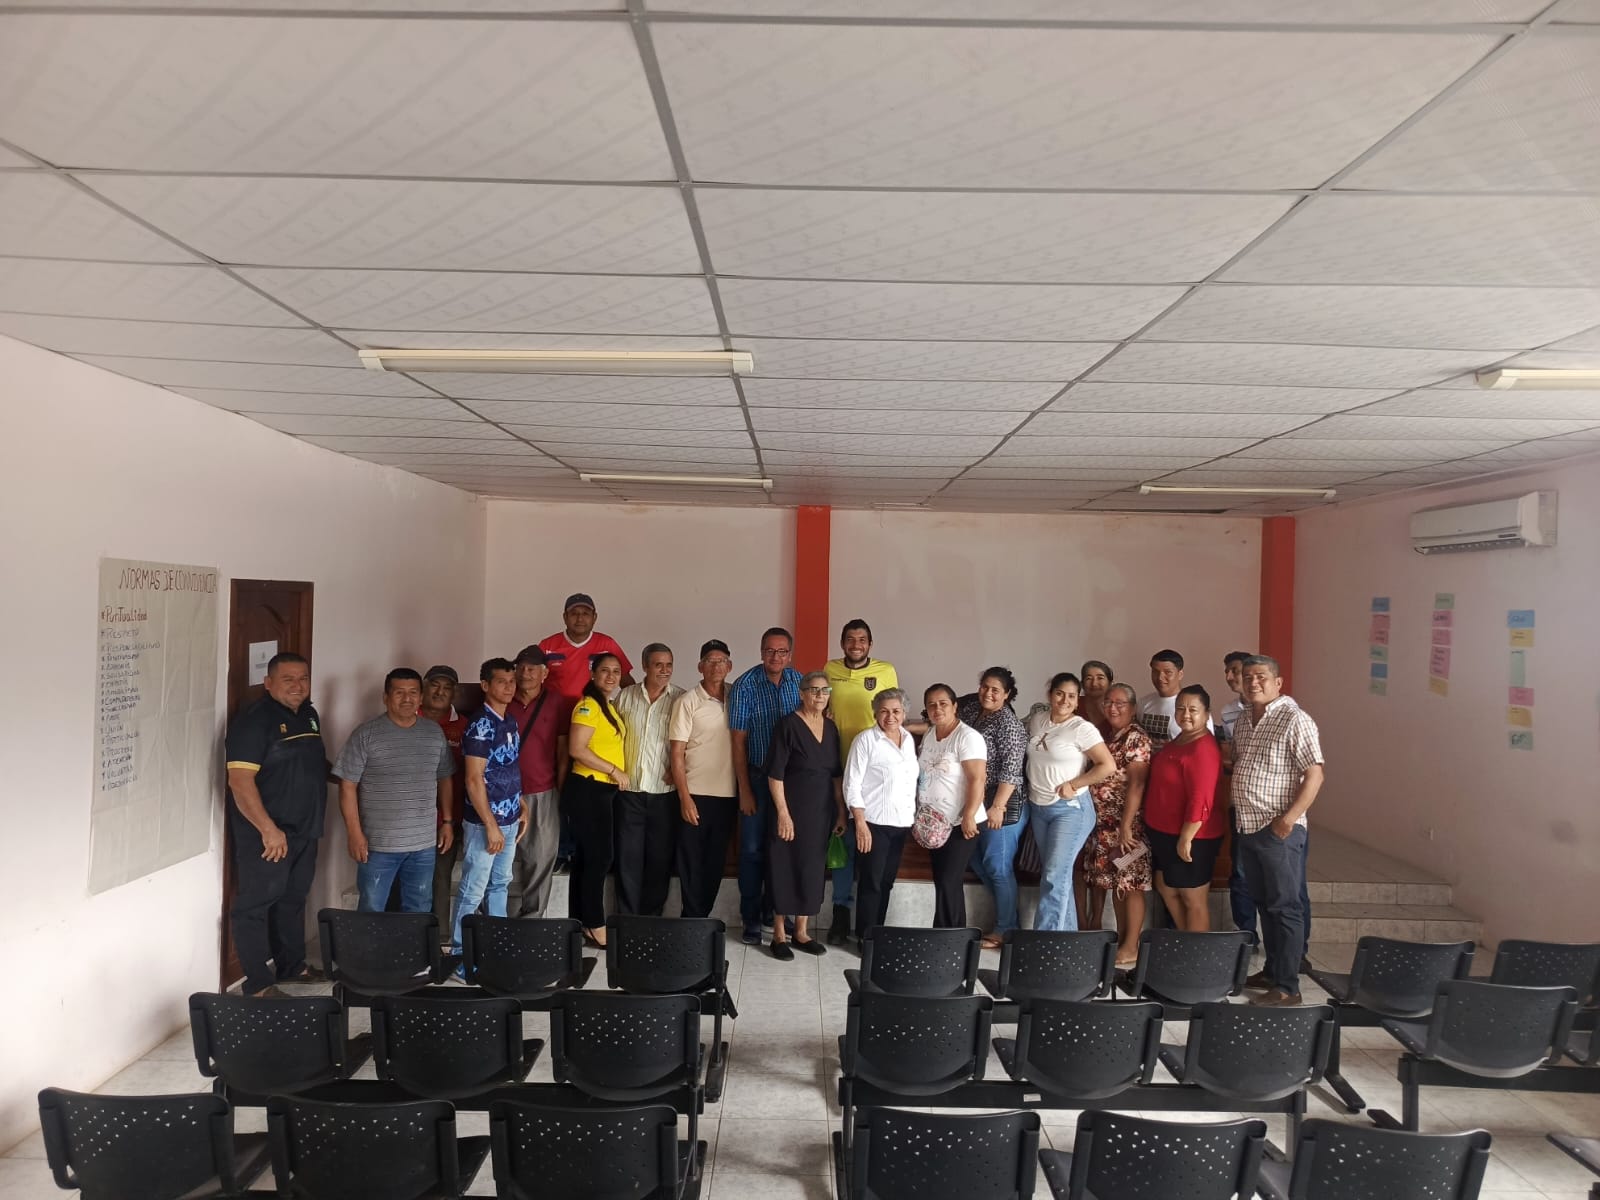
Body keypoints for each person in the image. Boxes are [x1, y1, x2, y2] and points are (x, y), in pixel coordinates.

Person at [224, 652, 327, 998]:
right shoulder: (254, 722)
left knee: (292, 899)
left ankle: (292, 966)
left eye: (303, 678)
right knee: (254, 906)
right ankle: (258, 985)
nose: (298, 686)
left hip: (306, 829)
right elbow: (240, 782)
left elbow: (312, 763)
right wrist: (268, 829)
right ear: (268, 683)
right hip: (269, 835)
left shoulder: (309, 715)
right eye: (288, 679)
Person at [1232, 655, 1325, 1007]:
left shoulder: (1295, 719)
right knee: (1265, 904)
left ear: (1278, 682)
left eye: (1261, 676)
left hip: (1279, 830)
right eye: (1247, 676)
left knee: (1285, 907)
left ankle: (1288, 987)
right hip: (1248, 826)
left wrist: (1287, 820)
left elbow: (1315, 774)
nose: (1253, 682)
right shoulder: (1244, 719)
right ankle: (1272, 972)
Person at [334, 668, 456, 914]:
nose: (407, 699)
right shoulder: (366, 734)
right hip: (378, 845)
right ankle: (371, 943)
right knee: (372, 908)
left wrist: (447, 822)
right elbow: (347, 786)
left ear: (421, 697)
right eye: (399, 693)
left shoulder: (434, 733)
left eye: (413, 692)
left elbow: (444, 778)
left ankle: (412, 943)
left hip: (423, 844)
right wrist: (354, 833)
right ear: (385, 697)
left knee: (419, 908)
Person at [823, 619, 902, 945]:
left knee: (870, 848)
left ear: (870, 644)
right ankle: (841, 912)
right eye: (850, 639)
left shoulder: (886, 670)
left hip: (875, 772)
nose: (856, 645)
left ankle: (867, 921)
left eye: (862, 639)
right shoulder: (830, 669)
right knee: (844, 841)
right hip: (838, 765)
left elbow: (893, 712)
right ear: (842, 643)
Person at [727, 627, 803, 946]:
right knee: (751, 850)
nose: (775, 657)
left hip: (791, 783)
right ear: (761, 653)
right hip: (757, 779)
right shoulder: (745, 685)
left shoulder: (800, 683)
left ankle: (777, 912)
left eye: (782, 651)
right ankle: (751, 918)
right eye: (770, 651)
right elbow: (738, 741)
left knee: (782, 850)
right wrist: (744, 789)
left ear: (790, 654)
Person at [1025, 673, 1116, 932]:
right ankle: (1066, 940)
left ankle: (1045, 942)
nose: (1065, 700)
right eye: (1059, 693)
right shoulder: (1038, 720)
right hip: (1039, 808)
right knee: (1056, 875)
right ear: (1050, 695)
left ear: (1077, 701)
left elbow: (1107, 765)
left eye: (1072, 696)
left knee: (1054, 875)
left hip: (1070, 810)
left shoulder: (1081, 728)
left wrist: (1074, 784)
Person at [765, 671, 845, 959]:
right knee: (783, 866)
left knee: (812, 869)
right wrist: (783, 814)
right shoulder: (787, 725)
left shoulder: (831, 728)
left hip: (821, 811)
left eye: (825, 690)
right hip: (790, 808)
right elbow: (775, 775)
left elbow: (836, 775)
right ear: (801, 693)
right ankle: (778, 935)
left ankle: (801, 932)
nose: (820, 695)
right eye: (814, 690)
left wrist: (840, 811)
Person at [451, 658, 526, 958]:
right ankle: (461, 955)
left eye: (512, 681)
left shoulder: (509, 720)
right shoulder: (481, 724)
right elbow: (473, 779)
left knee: (500, 884)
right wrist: (491, 825)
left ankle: (497, 948)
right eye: (501, 682)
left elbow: (507, 765)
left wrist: (520, 802)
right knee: (473, 889)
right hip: (485, 823)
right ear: (485, 685)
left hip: (509, 817)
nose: (509, 687)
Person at [1081, 683, 1153, 967]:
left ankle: (1132, 945)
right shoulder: (1109, 736)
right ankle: (1124, 942)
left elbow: (1137, 784)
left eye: (1120, 703)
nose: (1113, 708)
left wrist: (1126, 827)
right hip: (1105, 826)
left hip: (1126, 826)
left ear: (1133, 708)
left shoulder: (1135, 737)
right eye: (1108, 702)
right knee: (1118, 884)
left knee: (1131, 883)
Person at [1144, 684, 1227, 932]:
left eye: (1193, 710)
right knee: (1165, 885)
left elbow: (1201, 798)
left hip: (1193, 836)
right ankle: (1185, 940)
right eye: (1180, 709)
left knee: (1193, 898)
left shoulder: (1203, 747)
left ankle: (1196, 951)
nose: (1185, 714)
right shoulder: (1181, 739)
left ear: (1207, 714)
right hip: (1164, 832)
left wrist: (1186, 837)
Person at [562, 653, 629, 947]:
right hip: (589, 789)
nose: (611, 676)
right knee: (600, 858)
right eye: (604, 671)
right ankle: (595, 923)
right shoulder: (588, 706)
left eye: (616, 671)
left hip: (601, 790)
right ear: (592, 673)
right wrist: (614, 770)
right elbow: (577, 749)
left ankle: (580, 922)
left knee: (588, 858)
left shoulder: (607, 706)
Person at [959, 667, 1027, 949]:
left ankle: (1005, 928)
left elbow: (1012, 770)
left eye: (995, 690)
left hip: (1002, 802)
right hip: (976, 800)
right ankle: (1011, 921)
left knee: (998, 866)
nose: (988, 693)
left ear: (1007, 694)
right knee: (975, 859)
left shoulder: (1009, 724)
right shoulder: (972, 710)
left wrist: (998, 806)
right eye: (984, 687)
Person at [670, 640, 738, 919]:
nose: (716, 666)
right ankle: (690, 919)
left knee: (714, 862)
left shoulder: (737, 696)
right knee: (691, 861)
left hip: (728, 794)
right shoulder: (687, 702)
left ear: (729, 666)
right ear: (700, 666)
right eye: (710, 661)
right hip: (696, 793)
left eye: (721, 661)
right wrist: (684, 797)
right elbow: (676, 753)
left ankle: (702, 918)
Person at [614, 643, 684, 917]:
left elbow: (694, 740)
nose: (664, 670)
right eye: (658, 665)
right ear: (644, 666)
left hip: (664, 793)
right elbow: (611, 738)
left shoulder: (681, 699)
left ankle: (651, 918)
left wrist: (679, 767)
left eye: (669, 665)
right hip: (629, 793)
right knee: (627, 858)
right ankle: (627, 919)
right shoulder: (625, 697)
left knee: (659, 859)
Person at [845, 688, 918, 939]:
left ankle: (878, 933)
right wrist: (860, 824)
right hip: (873, 823)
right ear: (875, 713)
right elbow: (851, 784)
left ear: (904, 713)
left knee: (886, 882)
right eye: (884, 711)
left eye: (896, 711)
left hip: (901, 823)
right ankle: (865, 937)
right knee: (871, 882)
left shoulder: (908, 739)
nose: (890, 717)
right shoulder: (866, 740)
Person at [505, 645, 567, 919]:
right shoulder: (502, 699)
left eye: (532, 668)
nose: (525, 673)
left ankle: (532, 921)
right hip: (503, 792)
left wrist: (560, 789)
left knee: (540, 859)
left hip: (542, 790)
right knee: (495, 859)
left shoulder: (557, 702)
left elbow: (562, 750)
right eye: (520, 667)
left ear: (544, 674)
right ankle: (492, 919)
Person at [919, 684, 988, 928]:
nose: (937, 709)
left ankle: (951, 938)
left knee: (949, 879)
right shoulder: (930, 734)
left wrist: (969, 815)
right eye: (931, 705)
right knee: (943, 880)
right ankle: (947, 934)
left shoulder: (968, 737)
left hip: (961, 823)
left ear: (955, 706)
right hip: (935, 823)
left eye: (943, 704)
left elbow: (978, 779)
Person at [419, 664, 467, 937]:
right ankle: (408, 935)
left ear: (455, 693)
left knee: (440, 876)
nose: (440, 692)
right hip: (410, 817)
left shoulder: (464, 726)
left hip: (449, 819)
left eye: (447, 688)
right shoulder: (407, 719)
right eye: (435, 685)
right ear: (424, 688)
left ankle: (438, 938)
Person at [538, 593, 636, 707]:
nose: (580, 619)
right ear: (565, 617)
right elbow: (531, 681)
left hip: (594, 712)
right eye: (574, 614)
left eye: (586, 614)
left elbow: (627, 683)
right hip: (554, 713)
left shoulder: (607, 644)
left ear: (594, 617)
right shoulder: (547, 646)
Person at [1137, 649, 1210, 750]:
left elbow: (1204, 745)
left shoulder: (1195, 706)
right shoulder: (1143, 703)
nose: (1160, 677)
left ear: (1180, 674)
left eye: (1168, 672)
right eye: (1155, 672)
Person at [1079, 660, 1115, 735]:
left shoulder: (1118, 708)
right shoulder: (1073, 705)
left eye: (1100, 678)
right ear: (1082, 684)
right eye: (1089, 678)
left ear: (1110, 683)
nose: (1094, 684)